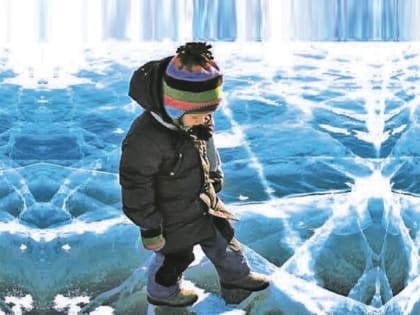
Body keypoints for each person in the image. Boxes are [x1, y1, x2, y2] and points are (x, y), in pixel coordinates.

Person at [119, 42, 269, 308]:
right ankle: (162, 293)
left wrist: (214, 173)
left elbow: (208, 147)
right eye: (199, 115)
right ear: (174, 109)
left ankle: (237, 277)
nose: (206, 120)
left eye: (210, 113)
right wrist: (150, 226)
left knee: (224, 239)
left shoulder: (196, 120)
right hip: (171, 216)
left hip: (202, 202)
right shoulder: (146, 139)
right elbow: (135, 183)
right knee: (176, 257)